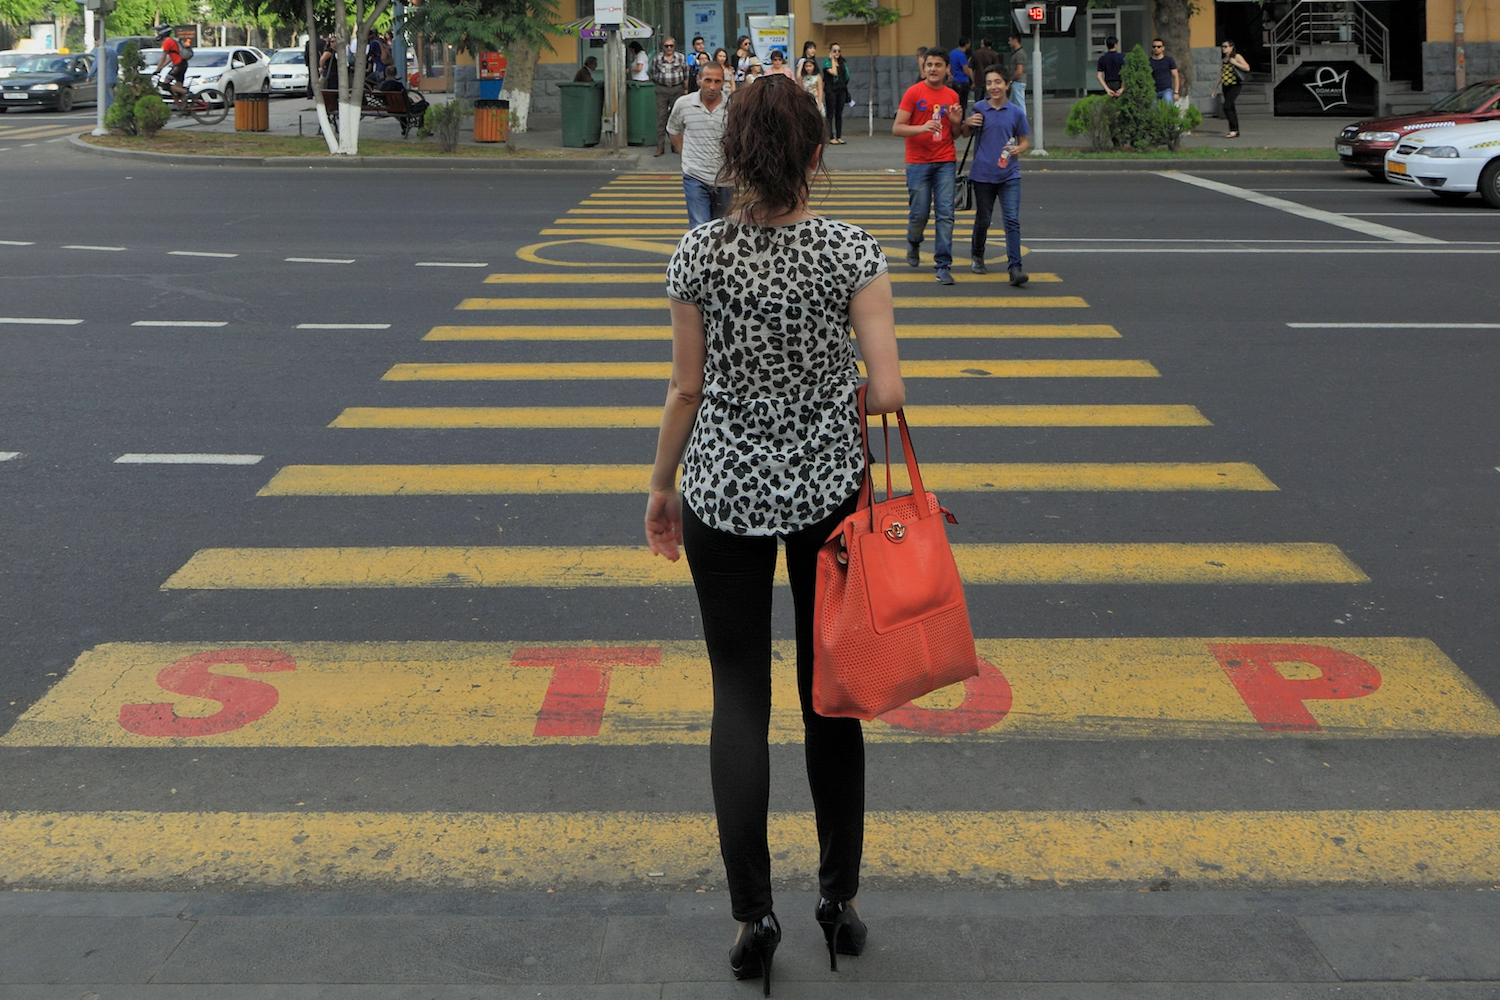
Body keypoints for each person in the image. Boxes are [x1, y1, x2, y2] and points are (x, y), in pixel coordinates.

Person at [645, 72, 903, 995]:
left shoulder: (699, 254)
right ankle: (840, 903)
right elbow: (888, 391)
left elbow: (686, 389)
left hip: (721, 491)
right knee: (832, 695)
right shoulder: (850, 249)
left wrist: (661, 483)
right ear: (818, 154)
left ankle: (754, 914)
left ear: (732, 157)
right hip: (828, 500)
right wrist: (830, 387)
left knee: (738, 699)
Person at [893, 47, 963, 284]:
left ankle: (943, 265)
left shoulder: (952, 96)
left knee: (946, 213)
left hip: (945, 160)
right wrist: (921, 128)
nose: (933, 69)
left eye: (938, 65)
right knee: (919, 214)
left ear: (947, 69)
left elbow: (955, 134)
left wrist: (956, 122)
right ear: (924, 68)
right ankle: (913, 242)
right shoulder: (914, 92)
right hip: (918, 162)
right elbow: (897, 127)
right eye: (929, 65)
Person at [962, 68, 1030, 285]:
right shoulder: (979, 108)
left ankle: (1015, 267)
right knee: (983, 219)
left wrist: (1020, 149)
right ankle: (977, 255)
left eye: (998, 82)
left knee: (1011, 220)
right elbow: (964, 133)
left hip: (1009, 174)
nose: (993, 86)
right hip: (982, 174)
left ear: (1007, 84)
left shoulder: (1016, 112)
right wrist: (968, 123)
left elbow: (1025, 141)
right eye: (990, 82)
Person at [667, 61, 734, 228]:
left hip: (725, 179)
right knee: (700, 229)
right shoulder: (684, 104)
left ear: (723, 83)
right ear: (698, 80)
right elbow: (673, 129)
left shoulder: (733, 108)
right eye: (707, 80)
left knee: (722, 229)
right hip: (695, 176)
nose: (712, 86)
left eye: (717, 81)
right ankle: (701, 255)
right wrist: (684, 153)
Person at [650, 37, 689, 157]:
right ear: (663, 47)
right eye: (666, 46)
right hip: (662, 89)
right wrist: (658, 85)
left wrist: (686, 89)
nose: (669, 48)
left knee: (676, 118)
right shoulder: (657, 59)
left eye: (671, 46)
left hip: (677, 89)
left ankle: (675, 145)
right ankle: (660, 147)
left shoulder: (681, 58)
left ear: (674, 46)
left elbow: (686, 74)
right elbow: (652, 74)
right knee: (661, 118)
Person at [1212, 39, 1250, 137]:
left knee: (1227, 106)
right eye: (1222, 47)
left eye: (1226, 46)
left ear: (1231, 47)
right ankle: (1234, 130)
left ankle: (1234, 129)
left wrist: (1235, 62)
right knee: (1231, 107)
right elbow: (1221, 74)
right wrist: (1215, 88)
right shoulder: (1223, 60)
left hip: (1235, 85)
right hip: (1226, 85)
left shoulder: (1236, 56)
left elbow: (1247, 67)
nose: (1223, 49)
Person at [153, 24, 190, 102]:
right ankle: (184, 108)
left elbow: (163, 57)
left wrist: (157, 69)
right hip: (182, 64)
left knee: (165, 84)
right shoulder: (172, 40)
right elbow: (170, 57)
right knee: (178, 88)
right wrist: (162, 67)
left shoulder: (167, 42)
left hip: (178, 65)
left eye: (158, 32)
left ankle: (186, 92)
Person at [821, 44, 850, 143]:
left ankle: (839, 136)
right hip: (831, 89)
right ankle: (831, 136)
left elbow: (847, 75)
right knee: (830, 113)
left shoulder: (842, 62)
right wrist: (832, 60)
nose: (837, 53)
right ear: (830, 52)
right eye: (834, 51)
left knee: (839, 113)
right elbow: (834, 72)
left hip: (841, 89)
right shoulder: (827, 62)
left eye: (838, 51)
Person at [1149, 38, 1179, 103]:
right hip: (1153, 90)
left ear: (1163, 48)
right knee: (1153, 111)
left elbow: (1176, 76)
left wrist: (1176, 92)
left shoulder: (1168, 60)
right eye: (1154, 47)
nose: (1156, 48)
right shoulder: (1149, 62)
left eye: (1158, 47)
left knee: (1168, 108)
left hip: (1166, 89)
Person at [949, 37, 971, 112]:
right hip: (963, 81)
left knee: (955, 102)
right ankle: (961, 120)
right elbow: (966, 71)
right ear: (967, 44)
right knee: (963, 105)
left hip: (955, 80)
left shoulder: (952, 53)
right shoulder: (962, 55)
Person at [1006, 35, 1027, 110]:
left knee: (1019, 103)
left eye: (1010, 40)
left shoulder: (1019, 54)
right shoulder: (1017, 53)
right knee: (1011, 104)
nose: (1009, 43)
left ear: (1015, 40)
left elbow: (1019, 71)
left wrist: (1011, 80)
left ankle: (1023, 120)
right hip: (1016, 82)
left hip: (1018, 82)